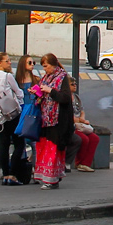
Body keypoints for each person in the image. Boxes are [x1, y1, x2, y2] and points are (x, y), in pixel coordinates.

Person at [31, 53, 73, 190]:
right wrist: (36, 92)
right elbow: (42, 95)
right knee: (44, 147)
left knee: (53, 148)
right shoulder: (46, 77)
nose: (45, 69)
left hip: (57, 120)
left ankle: (52, 179)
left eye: (46, 66)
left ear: (53, 65)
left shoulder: (62, 77)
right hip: (45, 119)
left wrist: (50, 91)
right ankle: (46, 176)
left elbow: (65, 98)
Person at [0, 52, 24, 186]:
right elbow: (18, 92)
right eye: (7, 61)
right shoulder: (7, 76)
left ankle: (5, 174)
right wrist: (20, 103)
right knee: (19, 143)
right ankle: (13, 174)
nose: (10, 63)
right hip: (11, 114)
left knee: (4, 145)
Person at [66, 79, 100, 173]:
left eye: (75, 84)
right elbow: (67, 115)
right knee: (84, 139)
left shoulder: (76, 97)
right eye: (72, 84)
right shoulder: (65, 97)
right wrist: (80, 120)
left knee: (94, 138)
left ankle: (85, 164)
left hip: (80, 124)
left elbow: (82, 111)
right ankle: (79, 163)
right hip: (71, 125)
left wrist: (82, 119)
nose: (75, 85)